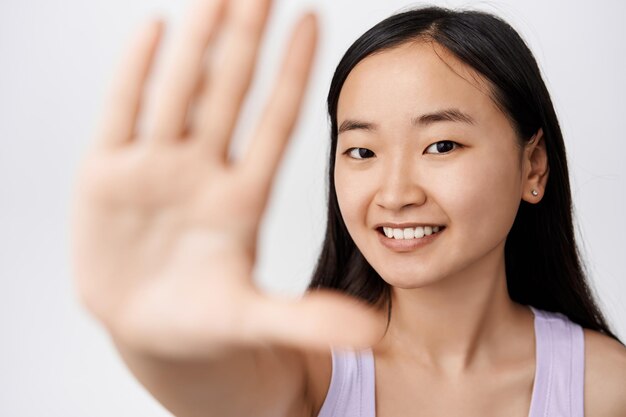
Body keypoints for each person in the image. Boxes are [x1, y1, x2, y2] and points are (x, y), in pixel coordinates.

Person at [71, 0, 626, 415]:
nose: (394, 193)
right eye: (361, 151)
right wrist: (146, 334)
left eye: (441, 146)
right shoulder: (311, 373)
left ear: (533, 167)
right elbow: (220, 385)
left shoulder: (605, 388)